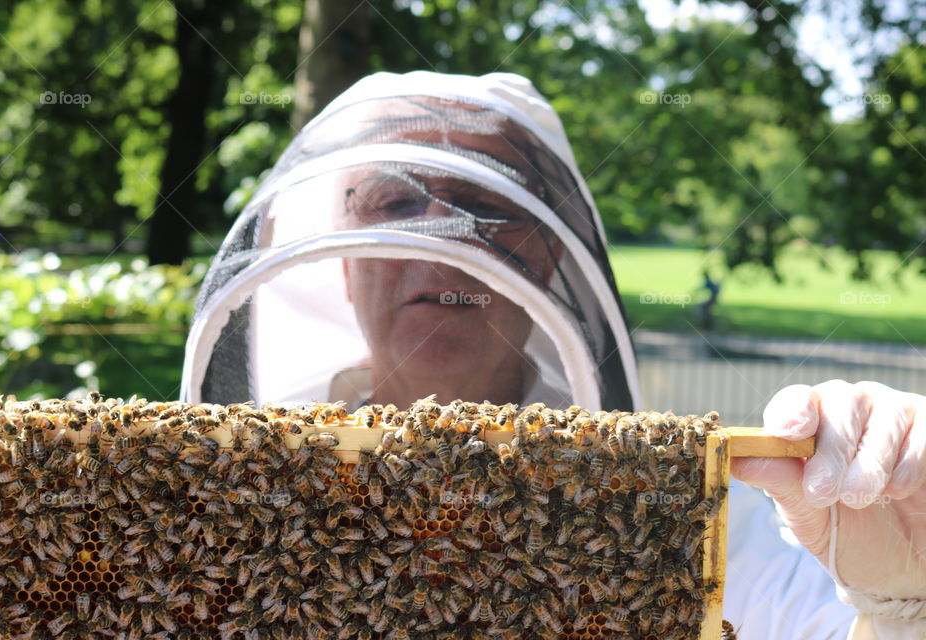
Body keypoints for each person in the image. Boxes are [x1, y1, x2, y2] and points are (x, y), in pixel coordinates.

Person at [181, 71, 925, 639]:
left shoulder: (668, 503)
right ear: (342, 257)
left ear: (545, 253)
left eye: (487, 205)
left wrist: (901, 600)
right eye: (396, 202)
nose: (439, 241)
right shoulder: (241, 483)